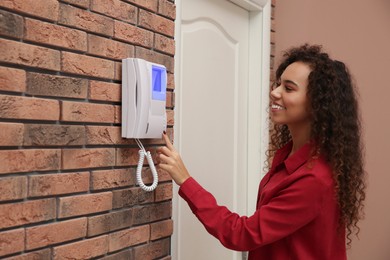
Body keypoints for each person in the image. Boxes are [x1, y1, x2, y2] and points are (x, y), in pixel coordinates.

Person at [157, 44, 366, 260]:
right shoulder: (288, 158)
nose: (274, 92)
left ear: (317, 103)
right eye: (278, 84)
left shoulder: (314, 178)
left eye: (289, 88)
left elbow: (242, 234)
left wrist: (186, 181)